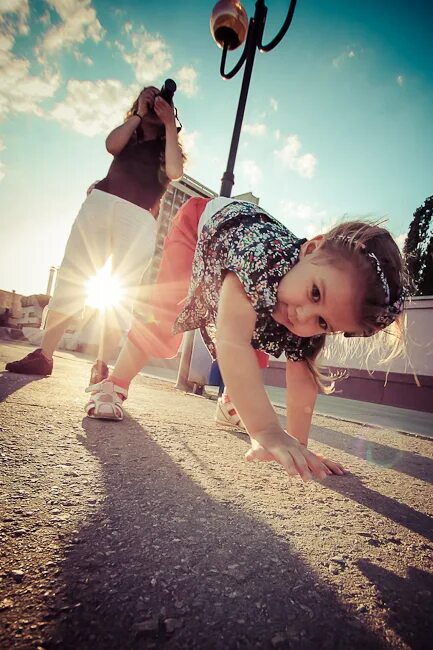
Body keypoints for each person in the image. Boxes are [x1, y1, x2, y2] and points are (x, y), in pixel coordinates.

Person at [85, 196, 407, 481]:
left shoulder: (303, 308)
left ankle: (229, 405)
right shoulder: (258, 258)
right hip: (199, 228)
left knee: (260, 343)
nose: (303, 315)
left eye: (323, 322)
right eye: (314, 293)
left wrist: (296, 445)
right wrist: (266, 430)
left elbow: (302, 375)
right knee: (165, 323)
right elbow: (232, 342)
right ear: (310, 249)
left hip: (241, 261)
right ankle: (114, 383)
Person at [6, 85, 184, 386]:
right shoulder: (131, 132)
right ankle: (44, 355)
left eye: (158, 100)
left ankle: (101, 365)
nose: (153, 103)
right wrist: (138, 116)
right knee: (73, 274)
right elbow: (112, 146)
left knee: (123, 290)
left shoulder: (167, 146)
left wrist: (168, 124)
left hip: (139, 216)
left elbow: (176, 170)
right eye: (147, 97)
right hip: (102, 202)